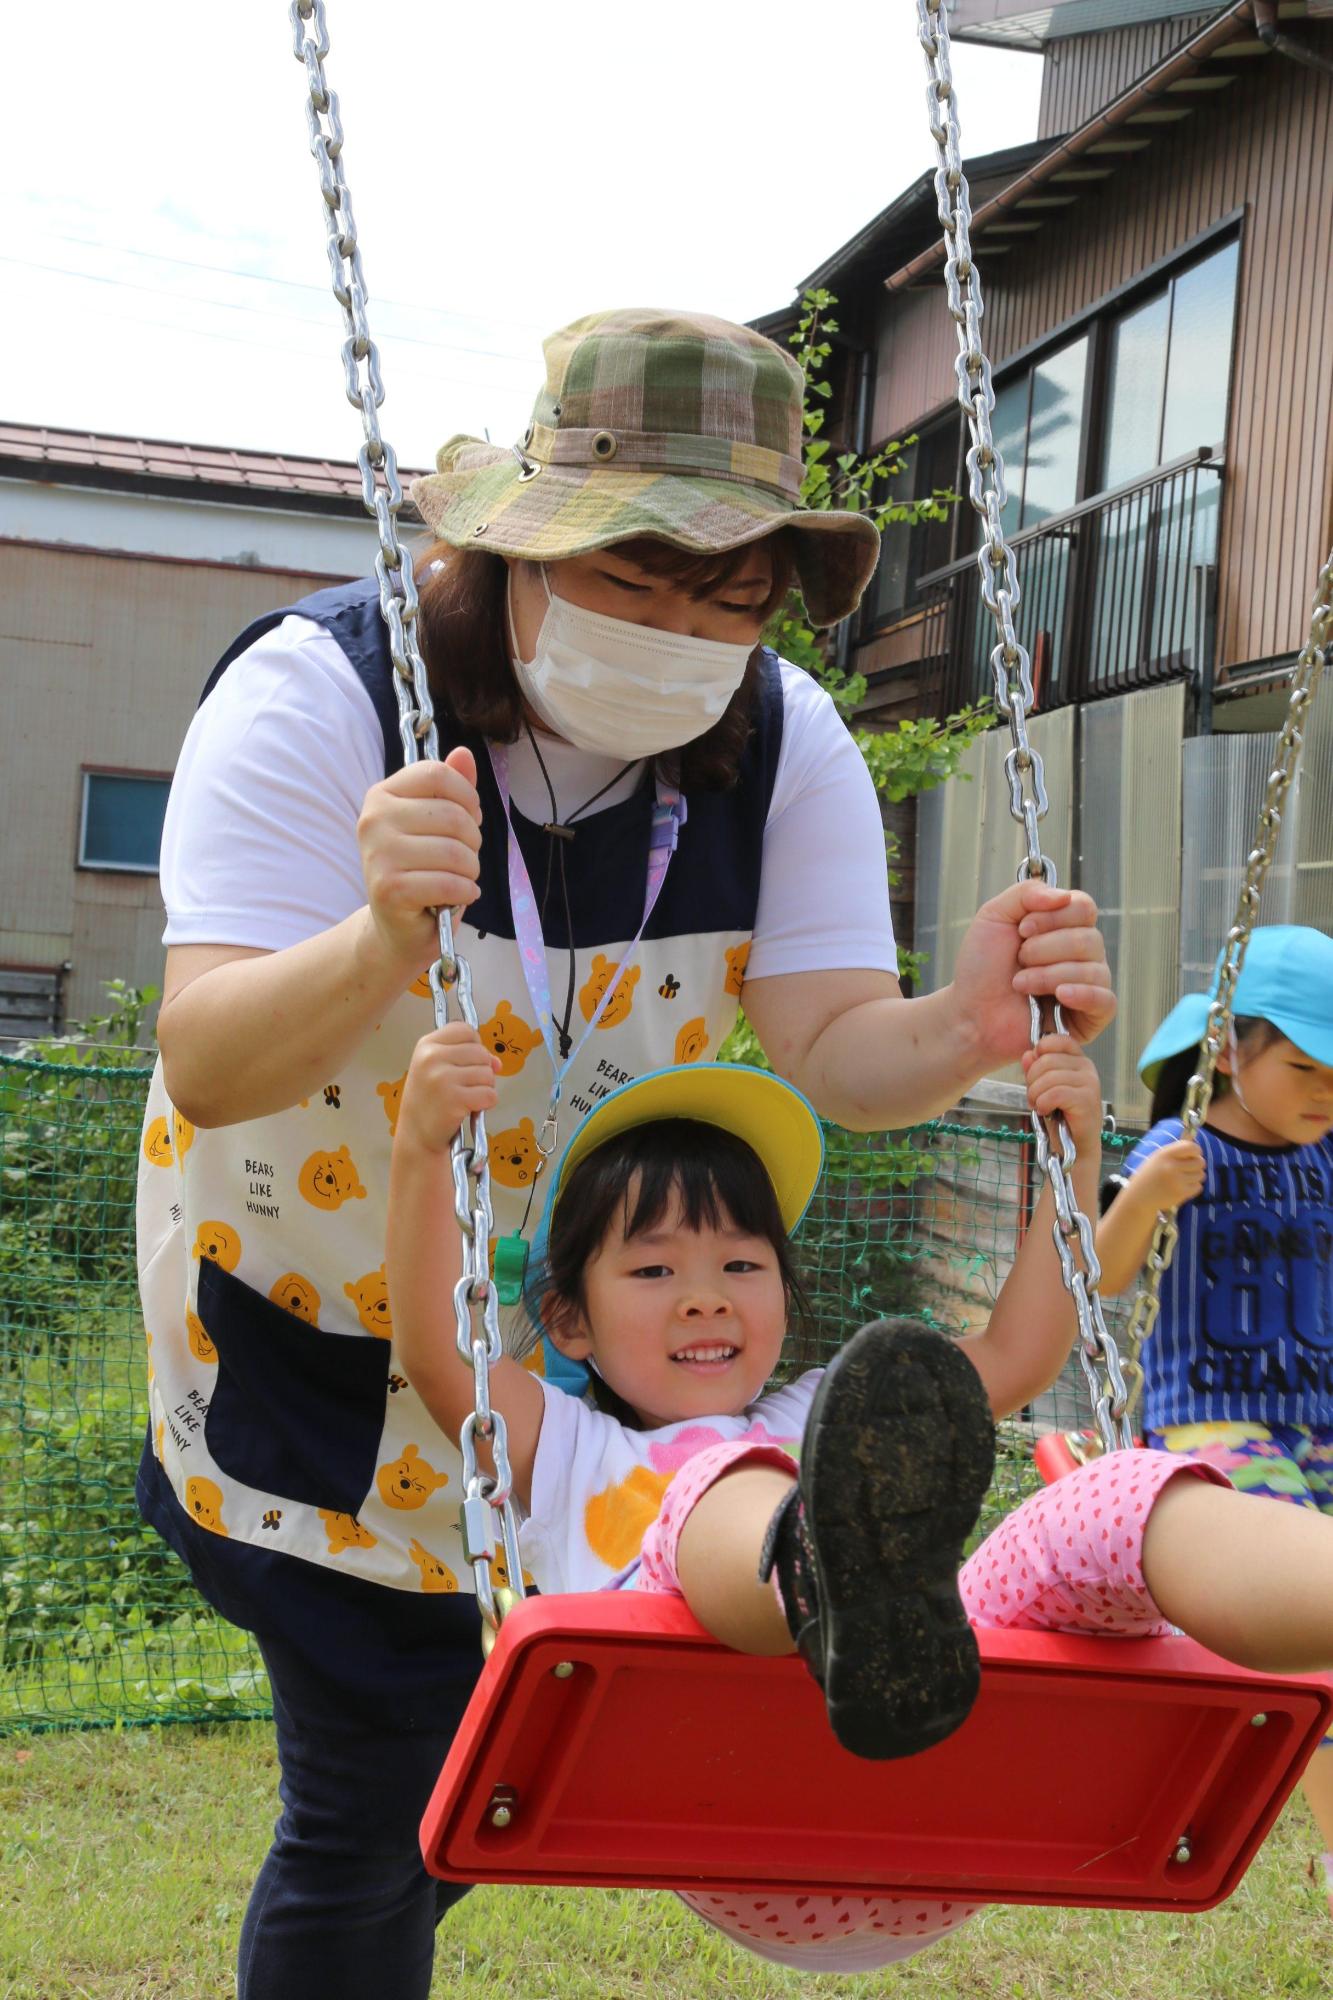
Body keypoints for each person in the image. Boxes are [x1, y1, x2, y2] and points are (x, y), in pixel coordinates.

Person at [135, 306, 1114, 1998]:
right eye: (636, 585)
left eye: (727, 601)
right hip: (308, 1328)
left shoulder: (777, 739)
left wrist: (958, 1028)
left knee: (459, 1793)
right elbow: (207, 1062)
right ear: (510, 554)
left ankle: (801, 1573)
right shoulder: (316, 697)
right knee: (382, 1798)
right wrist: (380, 937)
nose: (682, 636)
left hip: (558, 1358)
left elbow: (825, 1048)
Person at [389, 1031, 1333, 1974]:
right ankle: (818, 1570)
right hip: (741, 1821)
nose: (705, 1300)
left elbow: (1013, 1354)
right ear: (567, 1321)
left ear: (784, 1295)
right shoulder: (562, 1445)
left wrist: (1073, 1160)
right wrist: (422, 1148)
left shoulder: (838, 1411)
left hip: (950, 1799)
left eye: (741, 1266)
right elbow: (438, 1347)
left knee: (1109, 1501)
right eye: (652, 1270)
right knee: (710, 1495)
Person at [1096, 924, 1333, 1915]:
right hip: (1214, 1433)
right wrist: (1146, 1193)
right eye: (1306, 1063)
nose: (1325, 1089)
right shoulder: (1178, 1148)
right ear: (1229, 1049)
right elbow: (1099, 1278)